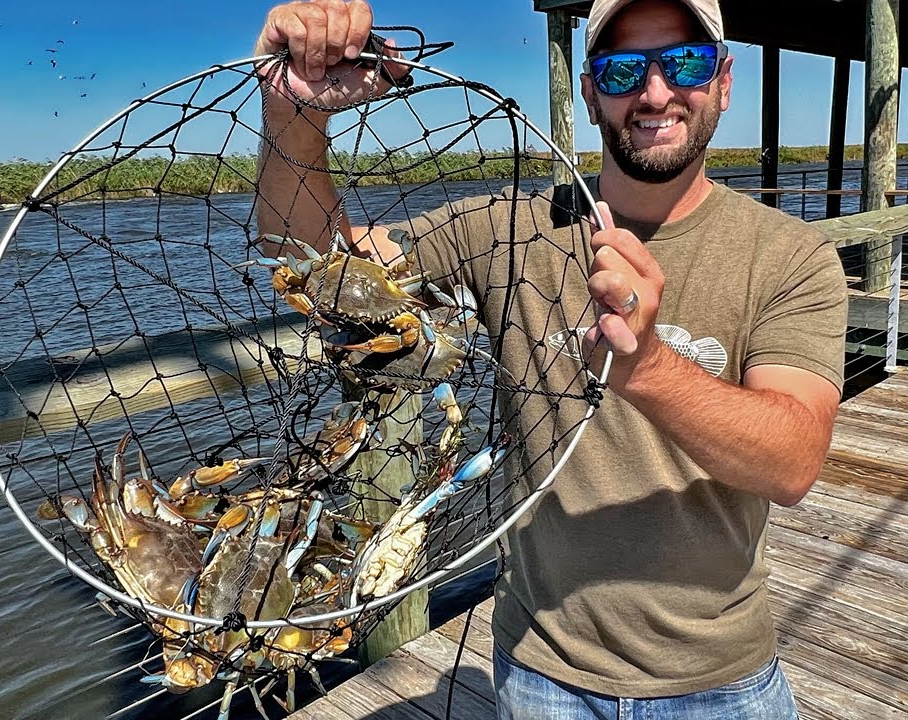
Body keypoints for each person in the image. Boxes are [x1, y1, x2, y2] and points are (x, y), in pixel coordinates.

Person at [252, 0, 847, 717]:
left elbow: (792, 461)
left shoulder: (789, 254)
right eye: (623, 70)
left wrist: (647, 367)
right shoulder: (505, 228)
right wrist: (293, 114)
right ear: (590, 92)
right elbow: (317, 269)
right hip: (543, 675)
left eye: (683, 62)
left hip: (720, 680)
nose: (655, 93)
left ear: (723, 80)